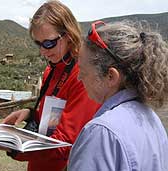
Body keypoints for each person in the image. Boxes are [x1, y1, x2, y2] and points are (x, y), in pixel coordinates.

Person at [0, 1, 100, 171]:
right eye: (38, 43)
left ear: (68, 35)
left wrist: (12, 147)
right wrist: (31, 114)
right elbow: (51, 119)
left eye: (49, 43)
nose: (43, 51)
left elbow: (64, 145)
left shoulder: (83, 76)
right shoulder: (51, 69)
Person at [68, 20, 168, 171]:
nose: (79, 77)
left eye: (83, 70)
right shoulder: (152, 119)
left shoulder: (102, 133)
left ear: (111, 77)